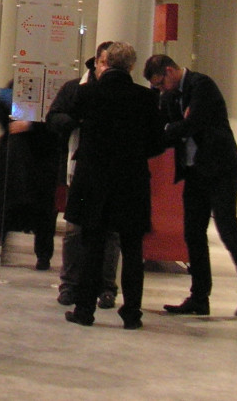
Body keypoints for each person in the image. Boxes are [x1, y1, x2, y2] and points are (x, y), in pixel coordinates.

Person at [144, 53, 237, 318]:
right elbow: (169, 128)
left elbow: (192, 124)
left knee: (227, 228)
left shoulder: (202, 86)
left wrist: (177, 126)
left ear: (170, 71)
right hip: (194, 172)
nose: (160, 90)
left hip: (221, 170)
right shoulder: (171, 96)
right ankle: (199, 297)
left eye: (161, 83)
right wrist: (175, 126)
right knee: (193, 234)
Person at [62, 42, 165, 330]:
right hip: (131, 181)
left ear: (104, 63)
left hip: (94, 180)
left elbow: (69, 122)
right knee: (132, 250)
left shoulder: (87, 94)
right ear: (132, 66)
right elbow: (158, 143)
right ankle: (132, 313)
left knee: (92, 245)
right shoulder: (146, 98)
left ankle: (84, 310)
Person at [45, 45, 119, 307]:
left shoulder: (121, 94)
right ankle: (69, 285)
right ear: (95, 63)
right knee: (75, 230)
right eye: (103, 63)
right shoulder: (75, 88)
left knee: (110, 232)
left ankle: (106, 286)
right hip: (79, 168)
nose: (106, 68)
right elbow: (53, 117)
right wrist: (75, 121)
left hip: (112, 172)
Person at [0, 84, 58, 269]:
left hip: (37, 158)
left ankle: (42, 254)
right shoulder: (23, 84)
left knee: (39, 210)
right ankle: (4, 248)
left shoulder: (49, 88)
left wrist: (30, 123)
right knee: (8, 206)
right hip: (18, 157)